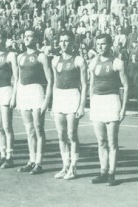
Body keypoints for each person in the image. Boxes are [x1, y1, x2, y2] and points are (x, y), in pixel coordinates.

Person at [89, 34, 128, 186]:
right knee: (101, 141)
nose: (100, 47)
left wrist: (123, 108)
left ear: (110, 45)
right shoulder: (93, 62)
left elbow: (125, 86)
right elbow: (91, 85)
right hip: (98, 102)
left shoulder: (117, 62)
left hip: (112, 101)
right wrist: (92, 102)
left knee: (112, 142)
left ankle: (112, 173)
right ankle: (103, 171)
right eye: (98, 44)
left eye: (103, 44)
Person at [52, 31, 87, 180]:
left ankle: (74, 167)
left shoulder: (78, 60)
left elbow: (85, 84)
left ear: (72, 43)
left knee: (72, 134)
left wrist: (81, 106)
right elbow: (54, 83)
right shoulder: (55, 60)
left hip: (73, 96)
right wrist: (53, 104)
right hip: (59, 97)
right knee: (61, 135)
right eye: (61, 41)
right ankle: (65, 166)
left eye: (67, 41)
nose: (64, 43)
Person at [16, 29, 53, 175]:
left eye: (30, 36)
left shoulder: (41, 56)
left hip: (36, 92)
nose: (26, 38)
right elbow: (19, 79)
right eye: (24, 36)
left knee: (38, 129)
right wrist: (18, 98)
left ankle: (39, 162)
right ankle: (31, 160)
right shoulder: (20, 57)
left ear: (36, 39)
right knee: (29, 130)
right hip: (24, 93)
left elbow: (50, 80)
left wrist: (46, 101)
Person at [0, 30, 18, 169]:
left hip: (6, 90)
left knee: (7, 127)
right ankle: (2, 155)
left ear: (5, 40)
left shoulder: (11, 55)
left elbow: (16, 77)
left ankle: (10, 156)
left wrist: (14, 96)